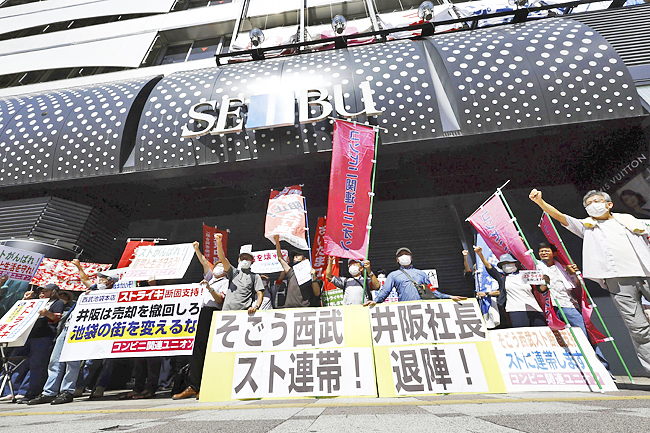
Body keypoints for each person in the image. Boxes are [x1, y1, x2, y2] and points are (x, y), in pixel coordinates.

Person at [530, 188, 650, 372]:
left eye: (597, 201)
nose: (593, 205)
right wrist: (540, 202)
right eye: (589, 204)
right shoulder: (587, 226)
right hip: (616, 280)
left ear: (609, 204)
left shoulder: (630, 221)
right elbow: (562, 218)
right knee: (638, 328)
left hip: (646, 272)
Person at [536, 242, 610, 371]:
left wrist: (575, 274)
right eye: (541, 251)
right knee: (558, 341)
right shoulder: (537, 268)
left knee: (584, 336)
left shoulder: (564, 268)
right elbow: (540, 289)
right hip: (550, 309)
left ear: (554, 253)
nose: (543, 253)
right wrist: (544, 281)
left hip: (568, 306)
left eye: (546, 250)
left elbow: (578, 286)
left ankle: (603, 369)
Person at [173, 240, 228, 400]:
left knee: (208, 349)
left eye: (220, 265)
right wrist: (197, 249)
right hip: (200, 313)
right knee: (196, 350)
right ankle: (193, 385)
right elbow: (204, 262)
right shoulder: (210, 277)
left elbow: (220, 301)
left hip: (213, 313)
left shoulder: (226, 282)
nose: (217, 267)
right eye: (215, 265)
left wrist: (210, 289)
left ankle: (206, 385)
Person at [10, 284, 64, 403]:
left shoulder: (57, 303)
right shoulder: (35, 302)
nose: (42, 294)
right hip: (28, 336)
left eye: (46, 291)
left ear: (54, 292)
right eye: (41, 292)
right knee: (16, 363)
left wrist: (47, 313)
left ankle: (31, 392)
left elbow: (57, 318)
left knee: (37, 365)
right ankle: (12, 391)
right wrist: (25, 301)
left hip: (44, 336)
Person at [364, 247, 466, 306]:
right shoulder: (393, 275)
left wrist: (450, 296)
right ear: (397, 260)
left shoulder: (421, 274)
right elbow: (384, 292)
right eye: (401, 255)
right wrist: (375, 301)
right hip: (405, 308)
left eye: (406, 254)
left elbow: (433, 291)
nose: (404, 256)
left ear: (411, 257)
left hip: (423, 307)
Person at [73, 263, 116, 398]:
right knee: (90, 362)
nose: (100, 281)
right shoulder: (94, 290)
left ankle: (100, 387)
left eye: (103, 279)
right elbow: (85, 279)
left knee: (108, 363)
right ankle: (80, 387)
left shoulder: (117, 293)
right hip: (95, 332)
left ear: (111, 282)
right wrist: (79, 267)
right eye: (100, 278)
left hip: (111, 331)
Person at [474, 246, 546, 328]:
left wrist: (545, 283)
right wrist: (480, 254)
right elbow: (490, 268)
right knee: (522, 335)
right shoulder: (503, 278)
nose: (506, 266)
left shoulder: (526, 275)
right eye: (503, 264)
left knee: (542, 332)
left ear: (515, 264)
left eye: (508, 263)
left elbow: (539, 289)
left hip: (534, 308)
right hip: (515, 310)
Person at [218, 233, 265, 313]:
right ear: (239, 260)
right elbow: (222, 258)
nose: (244, 261)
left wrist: (256, 307)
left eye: (247, 259)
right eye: (242, 258)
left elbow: (260, 293)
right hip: (226, 312)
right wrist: (218, 242)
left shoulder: (255, 276)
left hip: (243, 313)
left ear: (252, 262)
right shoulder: (233, 272)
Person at [273, 235, 322, 308]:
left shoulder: (310, 272)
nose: (295, 257)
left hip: (304, 309)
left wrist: (314, 278)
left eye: (298, 255)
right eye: (294, 256)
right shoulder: (291, 272)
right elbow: (280, 258)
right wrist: (277, 242)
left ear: (304, 259)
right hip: (289, 309)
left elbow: (317, 293)